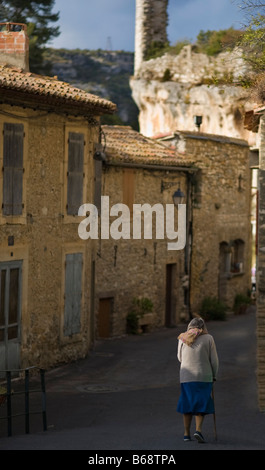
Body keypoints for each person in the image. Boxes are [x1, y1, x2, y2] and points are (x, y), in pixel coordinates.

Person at [177, 317, 219, 443]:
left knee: (187, 403)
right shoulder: (209, 338)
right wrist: (214, 375)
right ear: (203, 327)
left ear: (190, 326)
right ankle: (198, 430)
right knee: (201, 402)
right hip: (203, 376)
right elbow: (214, 360)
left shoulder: (182, 338)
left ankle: (186, 434)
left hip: (186, 376)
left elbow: (180, 358)